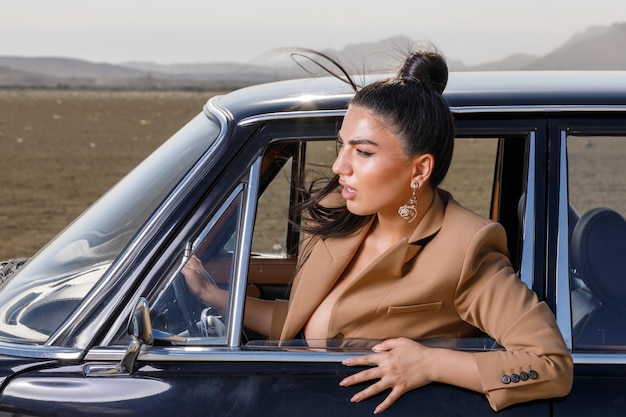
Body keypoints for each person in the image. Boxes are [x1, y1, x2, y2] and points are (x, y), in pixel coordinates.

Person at [182, 49, 573, 414]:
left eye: (363, 152)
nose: (339, 166)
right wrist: (216, 297)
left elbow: (550, 364)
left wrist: (432, 363)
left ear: (419, 170)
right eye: (342, 146)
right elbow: (303, 324)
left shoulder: (465, 246)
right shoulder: (339, 214)